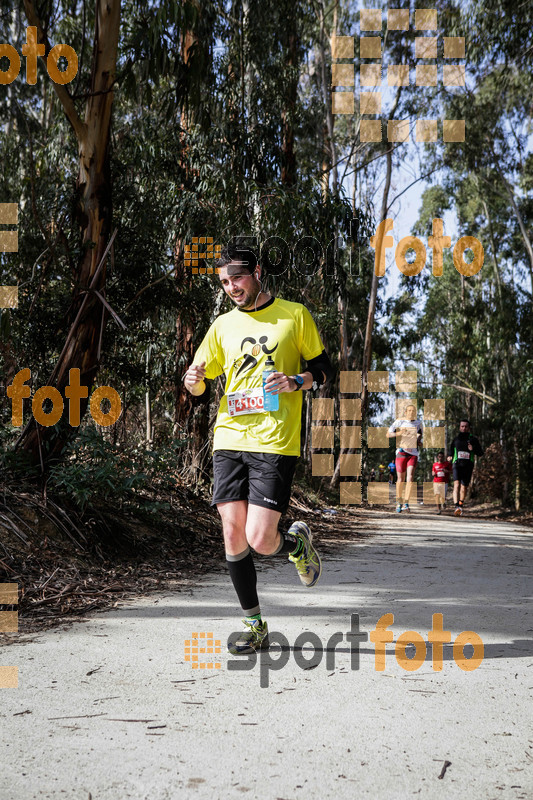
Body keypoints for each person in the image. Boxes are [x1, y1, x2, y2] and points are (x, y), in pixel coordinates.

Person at [183, 242, 335, 655]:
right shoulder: (221, 326)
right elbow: (198, 385)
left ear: (258, 272)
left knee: (260, 538)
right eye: (225, 281)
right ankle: (255, 625)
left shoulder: (294, 315)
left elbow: (325, 370)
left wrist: (296, 382)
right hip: (230, 438)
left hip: (275, 441)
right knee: (233, 532)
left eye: (238, 277)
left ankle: (296, 546)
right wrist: (192, 380)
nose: (231, 287)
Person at [387, 403, 423, 513]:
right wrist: (399, 433)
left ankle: (406, 503)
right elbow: (388, 434)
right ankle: (399, 502)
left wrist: (418, 441)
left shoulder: (418, 424)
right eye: (409, 411)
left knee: (410, 478)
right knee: (400, 479)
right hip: (401, 453)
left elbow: (420, 439)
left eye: (414, 411)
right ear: (405, 412)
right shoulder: (399, 422)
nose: (411, 413)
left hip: (413, 454)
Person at [447, 419, 484, 516]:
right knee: (456, 484)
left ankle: (460, 505)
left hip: (468, 465)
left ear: (469, 428)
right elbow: (451, 450)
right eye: (462, 426)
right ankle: (456, 507)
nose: (464, 428)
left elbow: (480, 453)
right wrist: (449, 456)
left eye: (466, 426)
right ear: (459, 427)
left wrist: (473, 449)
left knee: (464, 488)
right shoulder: (456, 439)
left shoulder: (473, 439)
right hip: (457, 464)